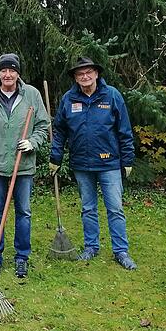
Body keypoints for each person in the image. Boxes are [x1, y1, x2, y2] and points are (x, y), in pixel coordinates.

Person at [49, 57, 137, 270]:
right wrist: (55, 157)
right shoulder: (69, 99)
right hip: (82, 164)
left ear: (97, 74)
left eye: (88, 72)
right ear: (75, 78)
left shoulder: (112, 95)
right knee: (88, 208)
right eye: (80, 74)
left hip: (110, 164)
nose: (85, 77)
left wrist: (128, 159)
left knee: (115, 208)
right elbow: (59, 130)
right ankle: (91, 247)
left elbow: (124, 130)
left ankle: (121, 251)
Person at [0, 53, 50, 278]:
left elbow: (43, 126)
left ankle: (22, 257)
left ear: (18, 73)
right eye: (4, 70)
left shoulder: (31, 95)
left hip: (23, 166)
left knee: (23, 212)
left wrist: (32, 141)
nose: (8, 74)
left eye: (12, 70)